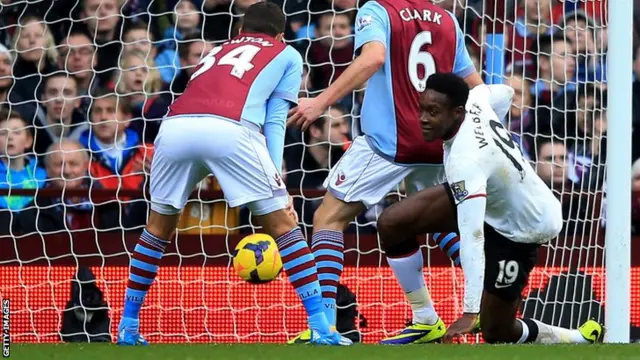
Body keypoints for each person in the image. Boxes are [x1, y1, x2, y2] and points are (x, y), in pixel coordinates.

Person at [116, 2, 351, 346]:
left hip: (175, 126)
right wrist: (277, 181)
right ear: (280, 34)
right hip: (230, 128)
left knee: (157, 229)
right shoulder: (286, 53)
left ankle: (128, 326)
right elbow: (273, 120)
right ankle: (321, 325)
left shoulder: (218, 49)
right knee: (284, 227)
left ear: (240, 31)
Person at [287, 0, 508, 344]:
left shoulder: (377, 10)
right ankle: (493, 304)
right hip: (438, 141)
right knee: (436, 222)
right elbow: (475, 87)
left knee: (329, 217)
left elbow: (374, 57)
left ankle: (326, 324)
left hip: (387, 143)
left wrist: (320, 102)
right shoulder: (448, 20)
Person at [416, 72, 603, 344]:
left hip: (524, 230)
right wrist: (494, 129)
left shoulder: (465, 160)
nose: (422, 118)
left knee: (496, 331)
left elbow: (473, 236)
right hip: (496, 207)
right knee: (395, 221)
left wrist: (470, 311)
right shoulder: (477, 98)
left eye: (432, 111)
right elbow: (505, 92)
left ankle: (576, 339)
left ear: (456, 111)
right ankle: (424, 318)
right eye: (421, 109)